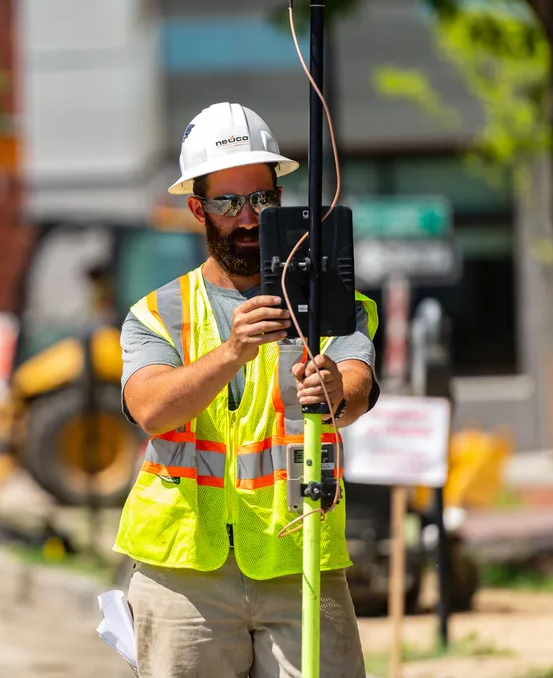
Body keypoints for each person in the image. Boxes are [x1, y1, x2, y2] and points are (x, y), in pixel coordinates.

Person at [114, 102, 380, 678]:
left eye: (260, 198)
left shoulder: (329, 301)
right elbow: (151, 410)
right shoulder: (157, 313)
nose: (248, 217)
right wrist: (233, 350)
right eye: (227, 203)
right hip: (183, 571)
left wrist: (335, 387)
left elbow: (358, 382)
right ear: (196, 209)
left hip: (298, 557)